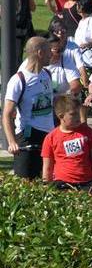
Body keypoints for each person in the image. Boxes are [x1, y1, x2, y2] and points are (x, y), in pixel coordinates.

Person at [3, 37, 58, 179]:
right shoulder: (18, 80)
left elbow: (54, 100)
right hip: (28, 137)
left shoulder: (47, 74)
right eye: (48, 51)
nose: (51, 54)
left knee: (49, 182)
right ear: (40, 53)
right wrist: (12, 142)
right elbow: (7, 114)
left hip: (48, 135)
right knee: (26, 182)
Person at [42, 94, 92, 192]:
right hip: (63, 186)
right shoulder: (51, 138)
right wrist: (47, 188)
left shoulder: (87, 132)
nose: (78, 117)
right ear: (61, 116)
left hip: (87, 183)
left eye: (78, 113)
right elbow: (47, 167)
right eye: (73, 114)